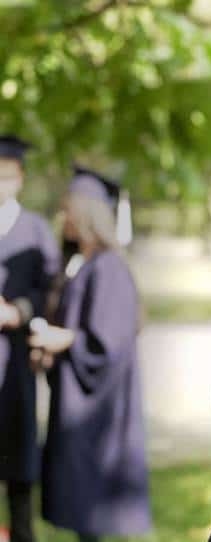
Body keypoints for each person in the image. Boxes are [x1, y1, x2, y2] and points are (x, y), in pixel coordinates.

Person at [28, 166, 151, 542]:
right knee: (82, 514)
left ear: (87, 214)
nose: (62, 218)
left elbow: (107, 342)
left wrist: (58, 339)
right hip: (76, 399)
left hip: (99, 409)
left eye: (67, 210)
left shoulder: (109, 267)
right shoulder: (80, 264)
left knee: (91, 510)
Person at [0, 135, 60, 542]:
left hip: (16, 358)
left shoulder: (37, 230)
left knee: (18, 467)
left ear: (19, 178)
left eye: (6, 176)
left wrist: (18, 311)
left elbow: (51, 293)